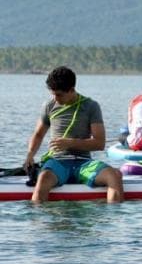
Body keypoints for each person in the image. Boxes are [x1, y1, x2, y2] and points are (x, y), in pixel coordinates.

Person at [23, 66, 124, 203]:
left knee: (113, 176)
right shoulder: (49, 106)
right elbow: (38, 134)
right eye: (52, 94)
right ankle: (38, 219)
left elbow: (99, 143)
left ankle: (113, 217)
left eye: (59, 95)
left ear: (71, 90)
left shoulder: (91, 106)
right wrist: (30, 154)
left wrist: (70, 143)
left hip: (83, 163)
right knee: (43, 178)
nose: (55, 99)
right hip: (58, 162)